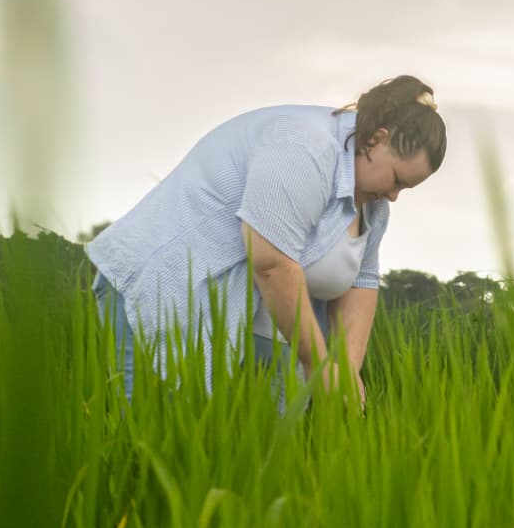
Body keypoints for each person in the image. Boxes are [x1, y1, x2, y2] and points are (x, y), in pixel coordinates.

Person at [87, 75, 446, 405]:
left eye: (406, 188)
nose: (395, 195)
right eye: (397, 179)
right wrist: (321, 368)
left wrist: (346, 372)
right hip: (163, 293)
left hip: (254, 329)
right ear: (376, 138)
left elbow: (362, 280)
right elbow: (272, 264)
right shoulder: (303, 148)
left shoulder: (372, 200)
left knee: (236, 461)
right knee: (152, 444)